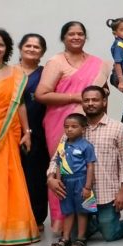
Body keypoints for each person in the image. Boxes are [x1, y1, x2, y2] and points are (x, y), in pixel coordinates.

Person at [35, 20, 110, 232]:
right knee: (63, 170)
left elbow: (103, 94)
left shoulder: (97, 63)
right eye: (71, 34)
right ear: (63, 38)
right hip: (61, 123)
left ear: (85, 37)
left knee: (87, 168)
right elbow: (41, 94)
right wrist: (76, 97)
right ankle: (62, 224)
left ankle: (87, 221)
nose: (76, 37)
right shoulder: (56, 62)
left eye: (80, 34)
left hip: (89, 122)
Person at [45, 86, 123, 242]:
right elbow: (57, 158)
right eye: (86, 100)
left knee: (110, 234)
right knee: (72, 236)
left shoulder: (117, 128)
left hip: (106, 193)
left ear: (104, 102)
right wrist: (51, 178)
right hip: (79, 193)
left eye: (95, 100)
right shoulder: (73, 128)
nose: (90, 103)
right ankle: (93, 221)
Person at [0, 29, 41, 246]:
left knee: (6, 180)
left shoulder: (15, 73)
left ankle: (6, 230)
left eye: (0, 45)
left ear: (7, 48)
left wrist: (26, 132)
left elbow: (19, 105)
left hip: (6, 133)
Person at [16, 33, 50, 230]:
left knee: (35, 177)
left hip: (38, 132)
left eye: (36, 47)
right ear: (20, 48)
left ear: (42, 52)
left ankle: (36, 219)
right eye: (28, 45)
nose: (31, 49)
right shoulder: (9, 73)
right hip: (9, 132)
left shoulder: (46, 74)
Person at [49, 113, 96, 246]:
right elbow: (59, 164)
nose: (69, 129)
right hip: (66, 182)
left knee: (83, 211)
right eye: (66, 126)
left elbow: (90, 166)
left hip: (81, 181)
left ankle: (81, 238)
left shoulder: (86, 146)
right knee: (67, 211)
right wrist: (58, 181)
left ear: (83, 129)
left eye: (74, 126)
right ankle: (66, 238)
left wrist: (88, 187)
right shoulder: (62, 146)